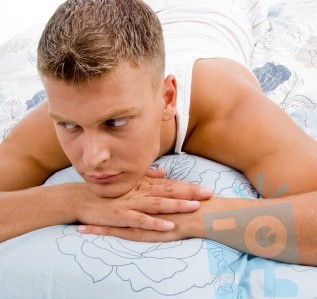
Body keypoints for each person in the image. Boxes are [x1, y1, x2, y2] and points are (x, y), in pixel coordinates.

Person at [0, 0, 316, 265]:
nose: (93, 158)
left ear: (168, 98)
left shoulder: (232, 113)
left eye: (116, 122)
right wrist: (70, 200)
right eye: (70, 126)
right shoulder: (63, 113)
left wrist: (196, 216)